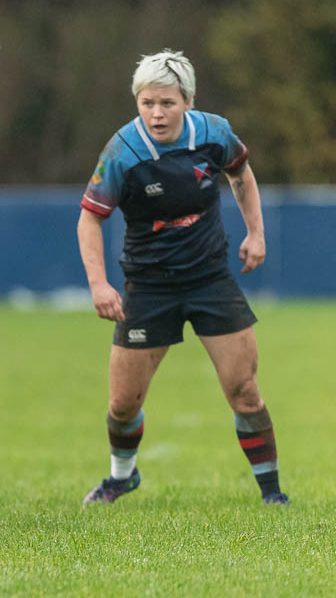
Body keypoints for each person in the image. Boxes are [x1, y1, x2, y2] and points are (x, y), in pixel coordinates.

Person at [77, 50, 288, 506]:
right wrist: (98, 283)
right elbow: (90, 219)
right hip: (149, 285)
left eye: (167, 103)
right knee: (123, 404)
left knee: (245, 391)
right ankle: (121, 476)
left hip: (211, 278)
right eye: (147, 102)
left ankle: (272, 494)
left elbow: (242, 174)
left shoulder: (213, 133)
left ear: (187, 101)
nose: (156, 113)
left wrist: (256, 233)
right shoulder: (123, 151)